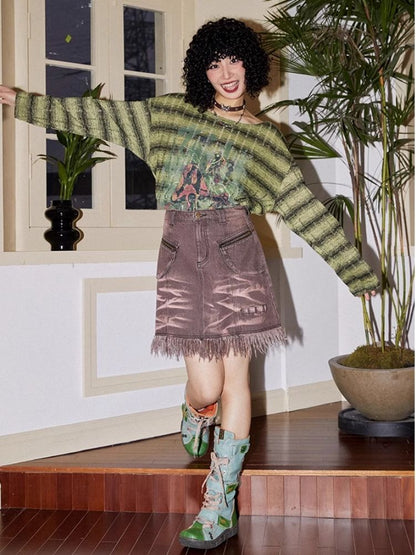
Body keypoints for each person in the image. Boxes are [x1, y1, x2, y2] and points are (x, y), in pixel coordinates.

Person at [0, 17, 378, 551]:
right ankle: (196, 409)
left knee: (236, 382)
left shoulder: (265, 139)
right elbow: (98, 116)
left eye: (235, 60)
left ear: (251, 64)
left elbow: (304, 208)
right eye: (215, 63)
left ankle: (219, 505)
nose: (227, 73)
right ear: (202, 71)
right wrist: (24, 102)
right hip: (180, 258)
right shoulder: (169, 115)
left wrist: (354, 270)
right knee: (206, 387)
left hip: (237, 260)